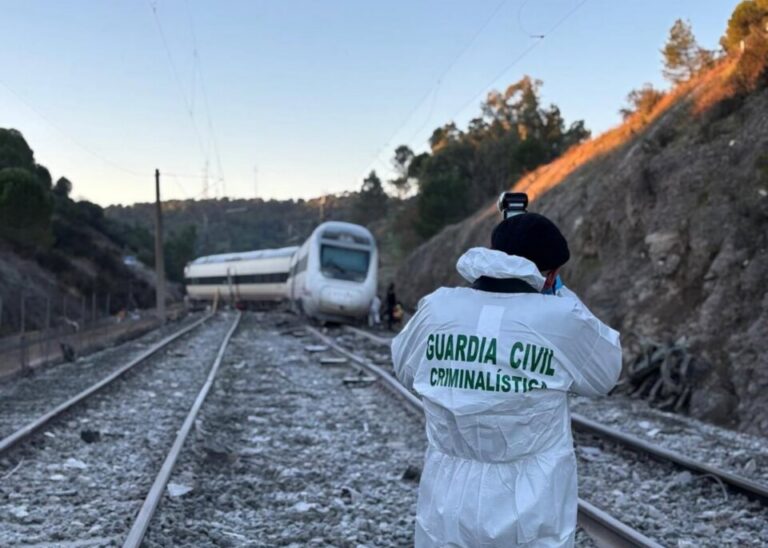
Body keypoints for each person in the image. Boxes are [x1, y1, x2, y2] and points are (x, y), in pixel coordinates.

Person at [391, 213, 622, 547]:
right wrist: (562, 296)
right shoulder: (561, 318)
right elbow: (605, 374)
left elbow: (405, 368)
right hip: (530, 503)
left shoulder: (437, 308)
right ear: (551, 275)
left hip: (448, 498)